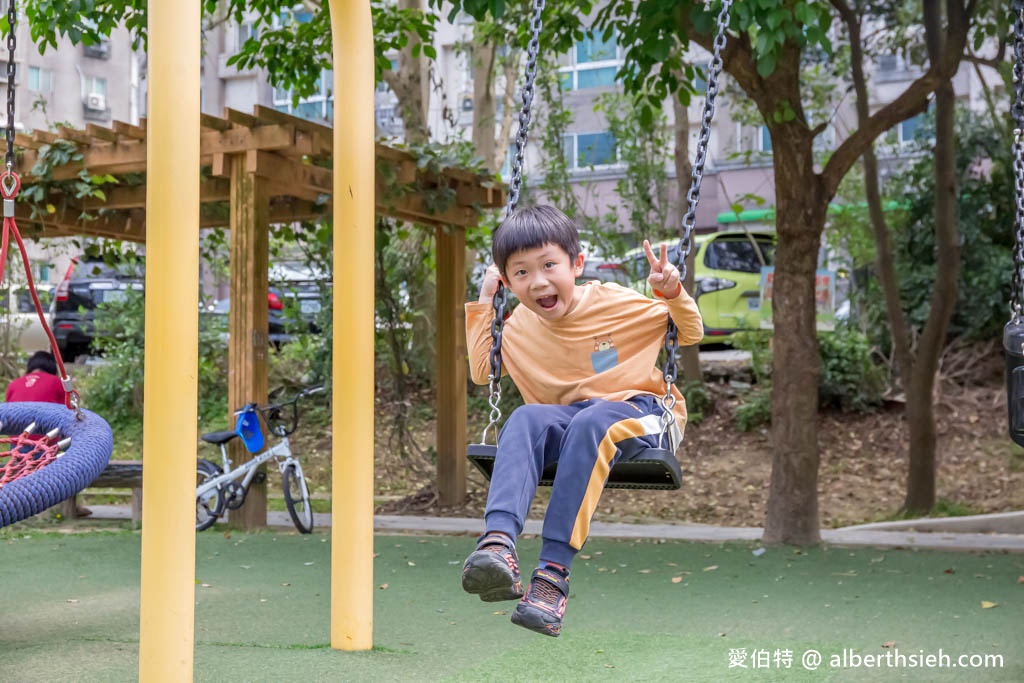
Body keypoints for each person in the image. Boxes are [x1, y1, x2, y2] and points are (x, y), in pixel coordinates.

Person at [461, 205, 703, 637]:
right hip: (572, 421)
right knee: (524, 419)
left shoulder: (611, 302)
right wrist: (485, 300)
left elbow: (688, 331)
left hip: (641, 411)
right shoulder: (517, 327)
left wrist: (673, 293)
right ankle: (497, 544)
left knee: (594, 420)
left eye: (549, 265)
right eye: (519, 273)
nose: (538, 281)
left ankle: (552, 575)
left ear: (576, 264)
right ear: (506, 279)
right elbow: (483, 370)